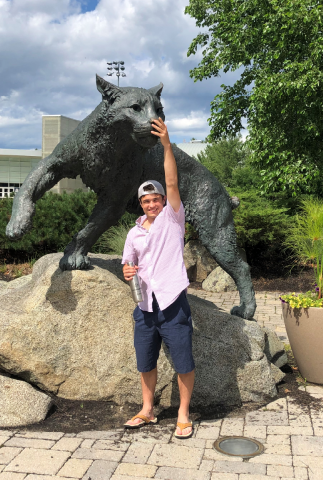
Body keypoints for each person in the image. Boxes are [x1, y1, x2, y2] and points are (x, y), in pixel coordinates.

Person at [122, 118, 195, 439]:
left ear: (164, 201)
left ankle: (183, 414)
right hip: (144, 306)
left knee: (182, 362)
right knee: (145, 362)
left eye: (156, 198)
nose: (152, 203)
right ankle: (147, 410)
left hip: (173, 303)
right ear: (141, 204)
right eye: (146, 200)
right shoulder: (134, 232)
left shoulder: (173, 220)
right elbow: (128, 264)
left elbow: (173, 181)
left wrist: (166, 144)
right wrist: (127, 272)